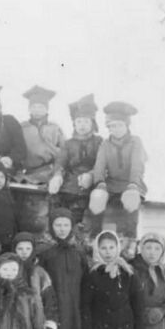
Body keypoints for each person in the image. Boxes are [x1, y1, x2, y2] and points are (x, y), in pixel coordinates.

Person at [89, 101, 148, 255]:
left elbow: (137, 165)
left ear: (127, 125)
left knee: (131, 202)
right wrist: (100, 184)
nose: (116, 130)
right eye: (112, 126)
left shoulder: (136, 142)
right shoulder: (105, 144)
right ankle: (97, 240)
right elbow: (99, 166)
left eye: (119, 125)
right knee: (98, 200)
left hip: (131, 185)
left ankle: (130, 242)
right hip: (112, 185)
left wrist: (134, 184)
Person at [49, 94, 103, 243]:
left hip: (93, 188)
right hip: (70, 188)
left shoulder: (100, 142)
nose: (82, 125)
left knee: (89, 225)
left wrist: (91, 175)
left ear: (92, 123)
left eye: (86, 121)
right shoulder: (68, 143)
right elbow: (60, 162)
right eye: (78, 121)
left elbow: (102, 165)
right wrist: (57, 176)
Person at [18, 85, 65, 236]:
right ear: (29, 109)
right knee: (32, 215)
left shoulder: (55, 128)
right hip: (29, 176)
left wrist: (58, 174)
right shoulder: (22, 127)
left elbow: (64, 155)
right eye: (34, 106)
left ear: (47, 109)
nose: (37, 110)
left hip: (51, 174)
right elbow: (16, 151)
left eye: (41, 106)